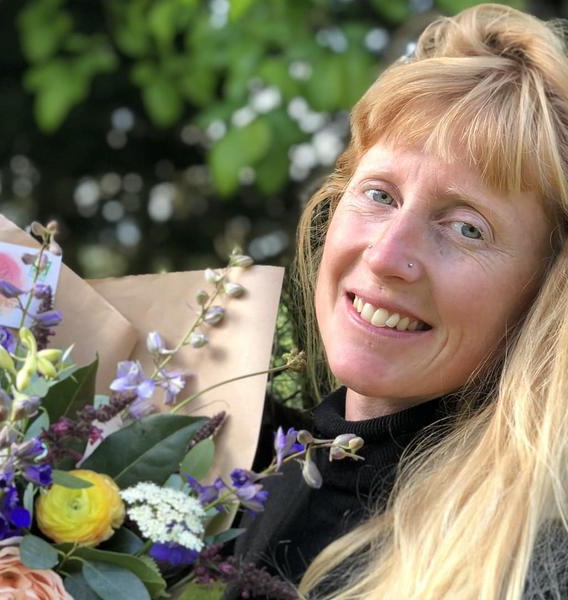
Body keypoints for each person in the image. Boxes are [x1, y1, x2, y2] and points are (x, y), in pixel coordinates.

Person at [229, 4, 568, 599]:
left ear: (545, 291)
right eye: (380, 194)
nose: (387, 256)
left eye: (467, 228)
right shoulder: (231, 465)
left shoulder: (536, 559)